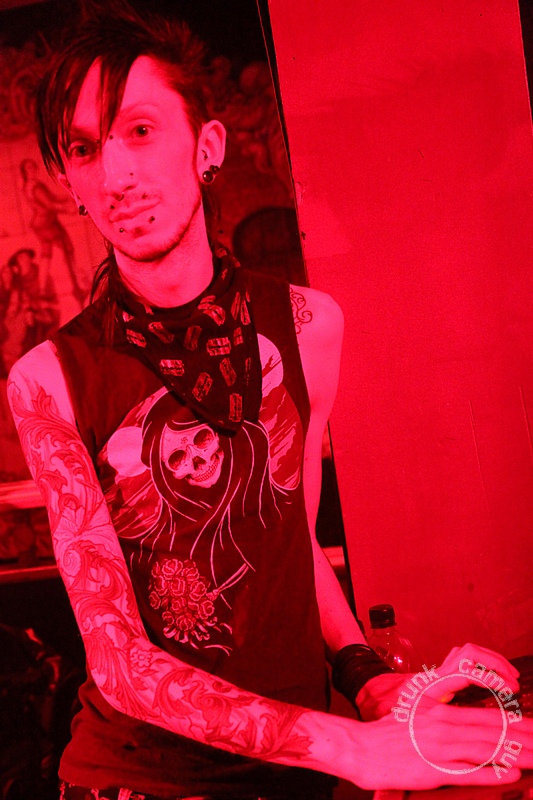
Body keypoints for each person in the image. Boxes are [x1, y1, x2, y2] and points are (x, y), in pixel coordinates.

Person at [7, 5, 533, 798]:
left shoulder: (309, 326)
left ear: (207, 147)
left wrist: (364, 679)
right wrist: (351, 747)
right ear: (68, 180)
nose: (115, 176)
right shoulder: (48, 378)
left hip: (297, 771)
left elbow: (289, 537)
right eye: (83, 148)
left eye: (140, 131)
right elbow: (120, 665)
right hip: (143, 779)